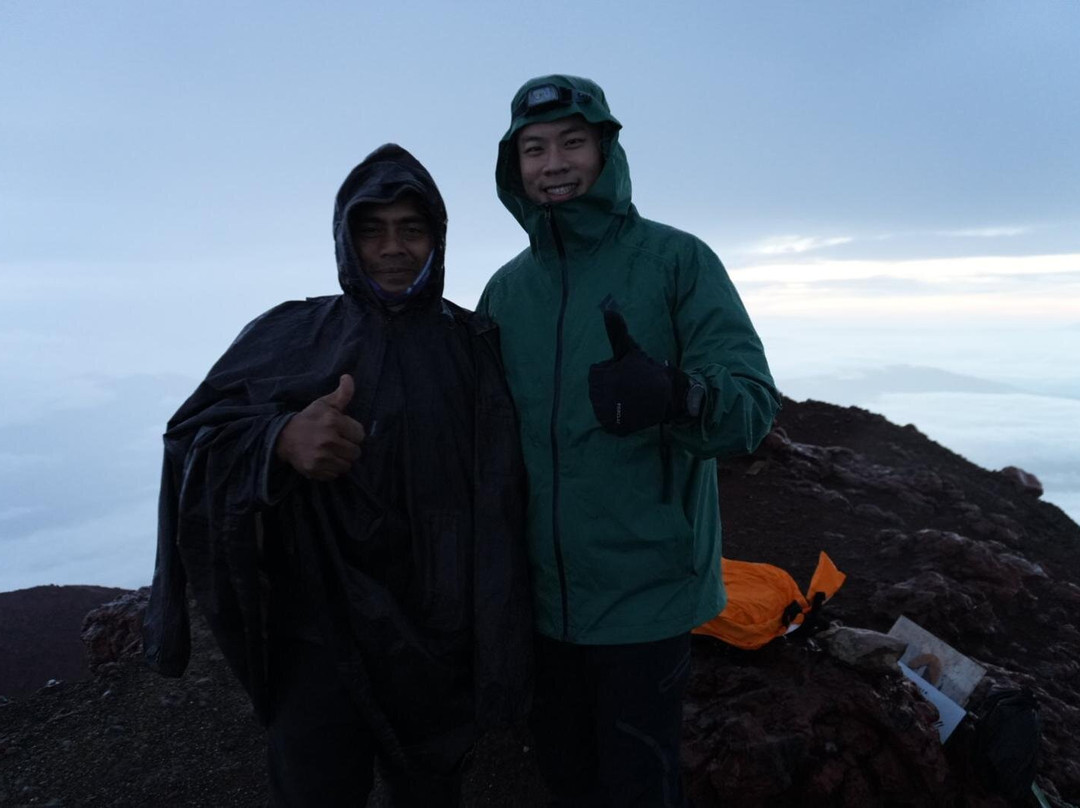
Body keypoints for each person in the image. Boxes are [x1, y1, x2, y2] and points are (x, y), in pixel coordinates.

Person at [142, 144, 532, 807]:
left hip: (438, 643)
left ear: (438, 237)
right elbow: (190, 439)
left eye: (411, 228)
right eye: (371, 230)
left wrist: (499, 652)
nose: (392, 248)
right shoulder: (293, 334)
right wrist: (279, 441)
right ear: (345, 238)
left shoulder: (476, 348)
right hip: (316, 638)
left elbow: (505, 500)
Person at [478, 75, 781, 807]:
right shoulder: (506, 291)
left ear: (607, 151)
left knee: (640, 783)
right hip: (542, 599)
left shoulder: (678, 262)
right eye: (535, 148)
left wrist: (680, 394)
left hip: (647, 591)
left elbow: (752, 407)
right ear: (513, 166)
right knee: (565, 776)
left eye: (573, 143)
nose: (553, 164)